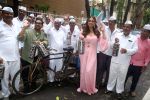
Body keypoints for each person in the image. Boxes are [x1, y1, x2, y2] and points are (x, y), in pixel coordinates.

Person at [106, 20, 138, 99]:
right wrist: (114, 43)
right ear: (123, 27)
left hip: (125, 62)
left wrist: (127, 51)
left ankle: (119, 91)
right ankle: (109, 89)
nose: (126, 28)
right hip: (115, 59)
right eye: (125, 26)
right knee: (112, 75)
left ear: (131, 28)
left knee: (121, 77)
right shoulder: (118, 35)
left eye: (128, 27)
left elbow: (135, 49)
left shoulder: (134, 38)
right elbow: (110, 45)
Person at [77, 16, 108, 95]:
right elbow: (80, 40)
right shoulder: (84, 31)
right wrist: (80, 36)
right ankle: (83, 87)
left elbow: (103, 43)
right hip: (84, 54)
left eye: (92, 21)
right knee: (83, 71)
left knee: (89, 70)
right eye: (89, 21)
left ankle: (90, 88)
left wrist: (103, 31)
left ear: (94, 23)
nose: (90, 22)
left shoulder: (97, 32)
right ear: (87, 22)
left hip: (92, 55)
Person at [18, 17, 48, 92]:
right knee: (25, 72)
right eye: (36, 23)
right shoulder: (28, 31)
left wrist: (42, 43)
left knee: (35, 71)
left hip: (36, 57)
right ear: (34, 24)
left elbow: (46, 42)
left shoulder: (42, 33)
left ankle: (34, 84)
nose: (38, 24)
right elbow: (20, 38)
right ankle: (26, 87)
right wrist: (23, 28)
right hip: (26, 56)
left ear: (42, 25)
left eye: (39, 23)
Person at [0, 7, 20, 100]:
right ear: (2, 14)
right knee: (4, 78)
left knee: (17, 76)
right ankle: (5, 95)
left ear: (13, 15)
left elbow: (19, 38)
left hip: (15, 56)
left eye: (11, 14)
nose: (9, 15)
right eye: (6, 13)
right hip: (3, 58)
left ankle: (16, 91)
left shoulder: (15, 25)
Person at [125, 24, 150, 97]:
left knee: (135, 79)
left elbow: (148, 55)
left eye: (148, 32)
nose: (145, 33)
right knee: (125, 76)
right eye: (144, 31)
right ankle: (121, 88)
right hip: (129, 62)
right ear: (142, 30)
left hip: (139, 64)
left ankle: (132, 90)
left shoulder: (149, 42)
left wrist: (145, 64)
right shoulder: (135, 38)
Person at [96, 16, 120, 88]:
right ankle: (98, 83)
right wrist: (102, 13)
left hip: (112, 54)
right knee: (100, 68)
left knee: (109, 70)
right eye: (109, 21)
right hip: (103, 52)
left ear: (115, 23)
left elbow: (118, 43)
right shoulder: (104, 28)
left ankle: (106, 84)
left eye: (112, 22)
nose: (110, 23)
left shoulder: (118, 32)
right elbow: (97, 20)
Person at [47, 18, 66, 83]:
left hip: (60, 52)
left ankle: (58, 79)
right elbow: (45, 30)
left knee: (59, 66)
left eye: (59, 23)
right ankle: (50, 80)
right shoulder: (50, 30)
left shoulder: (62, 31)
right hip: (52, 52)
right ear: (54, 23)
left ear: (60, 24)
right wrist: (50, 22)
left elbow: (65, 41)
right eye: (56, 22)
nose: (57, 24)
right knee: (51, 66)